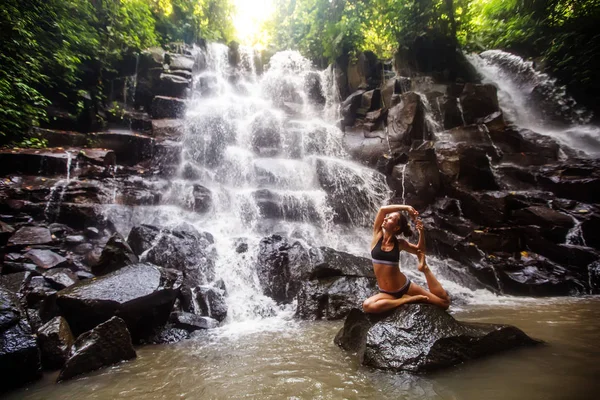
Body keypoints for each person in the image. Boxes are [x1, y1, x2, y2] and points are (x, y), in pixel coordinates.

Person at [362, 204, 451, 313]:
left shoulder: (400, 244)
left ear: (396, 228)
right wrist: (406, 207)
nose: (385, 218)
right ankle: (407, 300)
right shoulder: (377, 236)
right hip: (386, 293)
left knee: (444, 303)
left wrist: (421, 232)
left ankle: (425, 269)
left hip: (405, 287)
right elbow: (382, 210)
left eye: (390, 218)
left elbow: (420, 251)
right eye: (387, 217)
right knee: (367, 306)